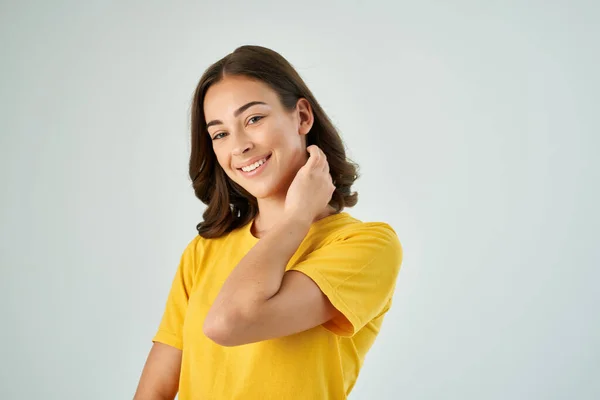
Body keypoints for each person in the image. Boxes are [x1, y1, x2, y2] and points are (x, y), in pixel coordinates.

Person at [134, 45, 403, 400]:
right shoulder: (203, 253)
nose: (240, 146)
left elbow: (228, 323)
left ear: (302, 117)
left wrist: (296, 217)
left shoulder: (367, 246)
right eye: (220, 134)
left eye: (254, 119)